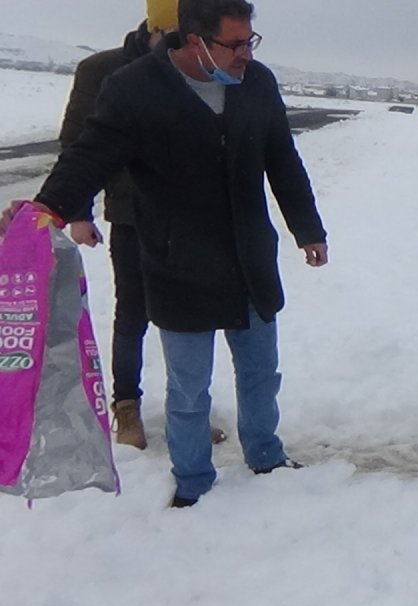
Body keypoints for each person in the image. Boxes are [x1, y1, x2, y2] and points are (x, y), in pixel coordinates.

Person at [12, 0, 328, 508]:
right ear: (192, 38)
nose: (246, 54)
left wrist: (308, 229)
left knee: (260, 372)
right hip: (179, 260)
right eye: (234, 44)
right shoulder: (136, 88)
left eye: (251, 41)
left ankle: (266, 457)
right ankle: (193, 481)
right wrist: (49, 206)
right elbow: (90, 154)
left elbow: (282, 159)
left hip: (249, 257)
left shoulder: (258, 83)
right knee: (188, 388)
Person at [57, 0, 226, 450]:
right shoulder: (103, 71)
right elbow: (77, 146)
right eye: (177, 37)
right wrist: (77, 213)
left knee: (188, 316)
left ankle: (186, 412)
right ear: (156, 29)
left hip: (191, 219)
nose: (187, 48)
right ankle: (126, 408)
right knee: (132, 313)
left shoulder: (203, 67)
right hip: (131, 214)